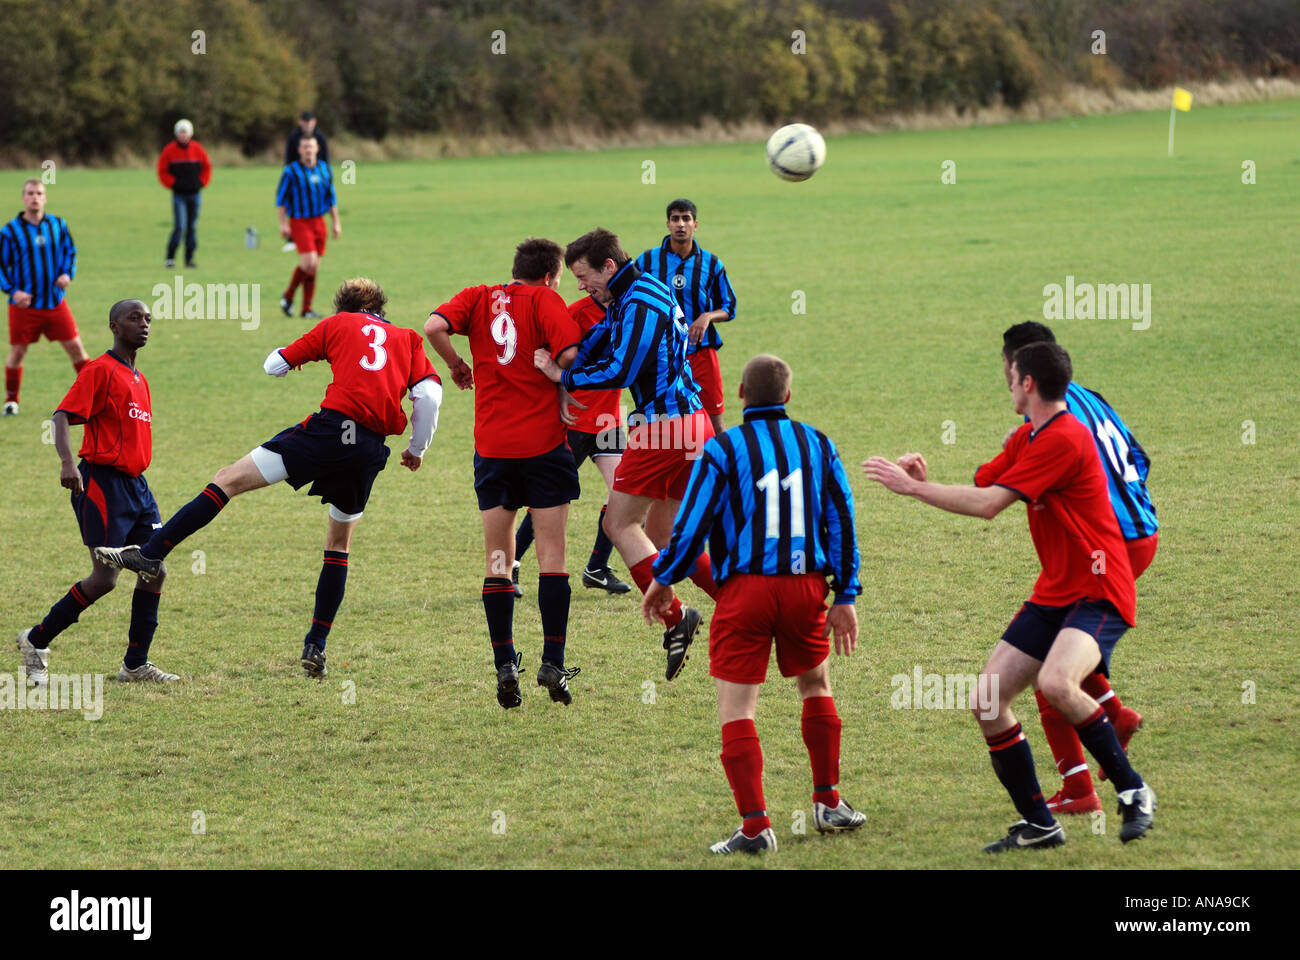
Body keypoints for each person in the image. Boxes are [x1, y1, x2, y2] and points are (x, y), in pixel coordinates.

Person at [865, 341, 1156, 852]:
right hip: (1057, 591)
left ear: (1027, 383)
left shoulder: (1064, 439)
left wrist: (910, 491)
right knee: (986, 699)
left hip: (1100, 588)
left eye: (1011, 372)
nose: (1006, 378)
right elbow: (984, 482)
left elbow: (987, 506)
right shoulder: (1030, 437)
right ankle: (1040, 824)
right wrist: (926, 479)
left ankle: (1133, 791)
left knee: (1057, 683)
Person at [96, 278, 440, 679]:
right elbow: (430, 397)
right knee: (338, 544)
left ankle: (152, 552)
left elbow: (274, 365)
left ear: (344, 308)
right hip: (368, 449)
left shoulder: (337, 324)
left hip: (329, 431)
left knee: (229, 479)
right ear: (381, 310)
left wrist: (298, 356)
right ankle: (316, 643)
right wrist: (416, 450)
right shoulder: (408, 339)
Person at [643, 354, 864, 855]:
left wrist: (664, 578)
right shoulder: (819, 445)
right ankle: (828, 802)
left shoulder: (722, 449)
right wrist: (846, 593)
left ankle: (755, 827)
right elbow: (842, 520)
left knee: (737, 707)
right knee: (815, 685)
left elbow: (691, 525)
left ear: (740, 393)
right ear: (788, 396)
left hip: (744, 592)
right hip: (805, 587)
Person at [534, 228, 721, 683]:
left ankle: (677, 619)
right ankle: (743, 603)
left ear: (609, 267)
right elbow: (602, 339)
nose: (581, 285)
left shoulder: (637, 300)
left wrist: (562, 376)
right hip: (690, 425)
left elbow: (621, 368)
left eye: (584, 276)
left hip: (663, 428)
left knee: (620, 524)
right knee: (665, 533)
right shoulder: (637, 292)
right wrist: (569, 355)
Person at [995, 322, 1156, 816]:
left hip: (1107, 548)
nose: (1003, 374)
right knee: (1060, 650)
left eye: (1006, 365)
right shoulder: (1091, 398)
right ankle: (1109, 713)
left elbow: (1003, 492)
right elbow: (1139, 457)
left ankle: (1081, 786)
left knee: (1049, 667)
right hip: (1142, 530)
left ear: (1022, 371)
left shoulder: (1046, 426)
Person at [424, 239, 585, 709]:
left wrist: (457, 364)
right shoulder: (546, 301)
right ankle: (553, 660)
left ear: (514, 270)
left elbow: (434, 326)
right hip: (544, 448)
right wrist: (554, 369)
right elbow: (572, 352)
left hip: (493, 449)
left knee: (498, 559)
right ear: (552, 276)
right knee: (551, 556)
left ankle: (504, 663)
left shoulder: (477, 297)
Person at [17, 299, 177, 684]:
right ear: (114, 326)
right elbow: (61, 416)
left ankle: (135, 665)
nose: (144, 325)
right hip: (101, 483)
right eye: (134, 318)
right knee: (104, 579)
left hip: (138, 488)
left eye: (148, 319)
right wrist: (68, 463)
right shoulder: (99, 370)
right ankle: (35, 641)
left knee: (155, 570)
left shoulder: (140, 379)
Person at [511, 292, 631, 599]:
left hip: (609, 419)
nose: (582, 284)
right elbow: (543, 356)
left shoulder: (630, 308)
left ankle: (597, 568)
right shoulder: (575, 313)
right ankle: (510, 564)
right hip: (574, 420)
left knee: (623, 493)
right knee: (548, 499)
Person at [635, 199, 736, 438]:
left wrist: (707, 316)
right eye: (675, 219)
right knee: (661, 426)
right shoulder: (647, 262)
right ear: (668, 224)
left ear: (695, 224)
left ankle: (723, 472)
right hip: (661, 357)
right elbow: (633, 302)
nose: (681, 224)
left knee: (715, 424)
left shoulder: (711, 264)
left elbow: (729, 306)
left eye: (686, 218)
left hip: (701, 354)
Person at [1, 179, 89, 416]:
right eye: (30, 193)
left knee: (76, 348)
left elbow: (70, 252)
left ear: (45, 197)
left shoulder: (58, 225)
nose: (35, 197)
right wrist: (13, 290)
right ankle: (11, 400)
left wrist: (66, 274)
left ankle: (94, 397)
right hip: (24, 306)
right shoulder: (9, 232)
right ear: (23, 198)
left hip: (54, 302)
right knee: (18, 352)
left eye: (39, 193)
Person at [276, 136, 340, 320]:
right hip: (299, 221)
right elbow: (281, 200)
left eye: (311, 146)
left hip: (319, 221)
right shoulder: (291, 171)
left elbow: (331, 199)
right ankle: (288, 295)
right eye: (305, 147)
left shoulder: (325, 170)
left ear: (317, 148)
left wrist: (336, 222)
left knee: (314, 267)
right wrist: (283, 223)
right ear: (299, 150)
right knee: (308, 262)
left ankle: (306, 308)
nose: (308, 150)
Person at [156, 119, 212, 269]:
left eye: (185, 132)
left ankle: (189, 258)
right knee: (180, 226)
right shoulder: (169, 150)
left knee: (192, 227)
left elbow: (207, 168)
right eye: (180, 132)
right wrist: (172, 183)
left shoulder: (198, 149)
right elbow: (162, 171)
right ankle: (170, 258)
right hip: (179, 195)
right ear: (176, 134)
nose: (183, 135)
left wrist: (202, 182)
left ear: (190, 134)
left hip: (195, 194)